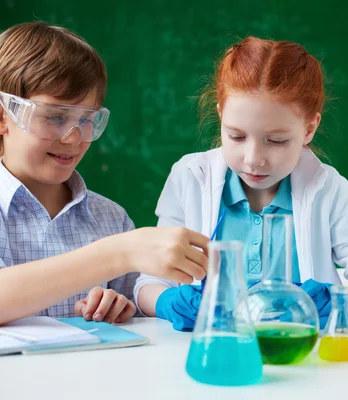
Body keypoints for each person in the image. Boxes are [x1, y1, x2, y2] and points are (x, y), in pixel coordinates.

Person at [134, 36, 348, 330]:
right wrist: (170, 303)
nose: (253, 159)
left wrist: (341, 306)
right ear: (221, 115)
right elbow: (149, 283)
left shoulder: (328, 189)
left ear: (309, 128)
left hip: (299, 354)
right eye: (236, 136)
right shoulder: (190, 177)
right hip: (216, 349)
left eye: (276, 141)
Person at [0, 22, 208, 325]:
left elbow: (137, 322)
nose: (73, 137)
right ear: (3, 117)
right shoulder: (120, 244)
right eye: (55, 116)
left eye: (86, 119)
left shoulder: (112, 219)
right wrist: (118, 253)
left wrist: (117, 307)